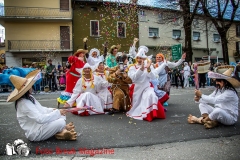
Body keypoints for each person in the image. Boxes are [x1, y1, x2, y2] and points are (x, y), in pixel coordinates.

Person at [6, 69, 77, 141]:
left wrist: (53, 110)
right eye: (30, 85)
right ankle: (62, 130)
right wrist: (57, 113)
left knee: (62, 115)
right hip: (35, 133)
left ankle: (61, 130)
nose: (32, 86)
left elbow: (41, 109)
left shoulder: (29, 97)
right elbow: (40, 119)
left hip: (40, 126)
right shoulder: (24, 103)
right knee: (61, 121)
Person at [127, 48, 167, 122]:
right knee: (138, 105)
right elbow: (134, 78)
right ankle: (144, 113)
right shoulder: (132, 67)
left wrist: (148, 69)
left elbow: (152, 77)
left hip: (147, 87)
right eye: (138, 58)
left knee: (151, 95)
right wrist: (141, 69)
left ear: (144, 59)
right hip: (137, 89)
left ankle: (152, 114)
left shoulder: (149, 66)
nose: (139, 60)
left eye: (141, 58)